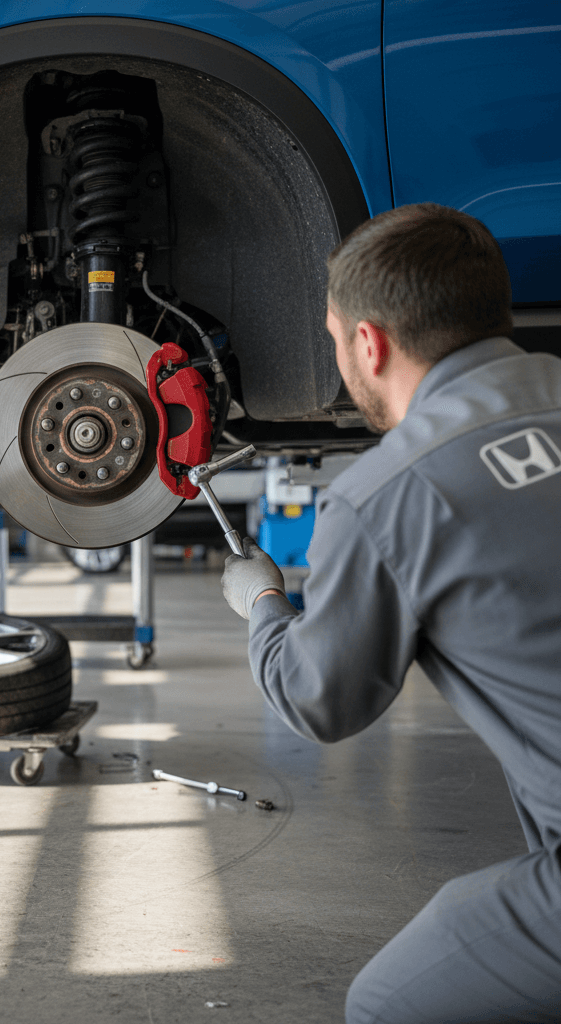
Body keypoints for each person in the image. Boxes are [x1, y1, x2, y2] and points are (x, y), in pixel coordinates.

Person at [221, 203, 561, 1023]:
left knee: (387, 1004)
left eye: (335, 340)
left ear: (368, 343)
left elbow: (321, 700)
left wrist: (263, 603)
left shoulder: (388, 493)